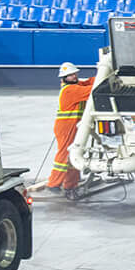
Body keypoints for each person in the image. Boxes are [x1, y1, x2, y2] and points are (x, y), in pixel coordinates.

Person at [46, 63, 90, 195]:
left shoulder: (75, 86)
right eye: (70, 75)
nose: (74, 76)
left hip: (73, 126)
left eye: (75, 73)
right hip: (66, 127)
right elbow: (91, 89)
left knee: (74, 155)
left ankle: (70, 184)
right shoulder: (70, 90)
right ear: (64, 78)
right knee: (64, 156)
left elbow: (87, 82)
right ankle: (53, 184)